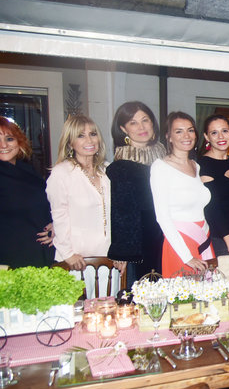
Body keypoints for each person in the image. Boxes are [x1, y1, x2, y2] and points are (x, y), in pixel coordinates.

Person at [46, 115, 117, 271]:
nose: (89, 140)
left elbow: (118, 214)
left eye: (93, 134)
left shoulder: (108, 169)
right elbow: (59, 216)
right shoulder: (61, 173)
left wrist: (120, 251)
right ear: (70, 142)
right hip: (78, 260)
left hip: (110, 257)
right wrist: (68, 254)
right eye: (80, 136)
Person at [107, 101, 166, 284]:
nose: (141, 127)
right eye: (133, 122)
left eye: (145, 120)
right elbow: (122, 213)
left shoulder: (165, 157)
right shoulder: (122, 165)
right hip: (141, 243)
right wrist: (123, 253)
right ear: (123, 129)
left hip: (167, 235)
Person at [150, 112, 213, 277]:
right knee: (185, 293)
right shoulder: (160, 167)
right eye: (179, 131)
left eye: (190, 130)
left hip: (204, 238)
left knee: (209, 290)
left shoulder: (196, 166)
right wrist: (187, 257)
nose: (186, 136)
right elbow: (162, 217)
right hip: (180, 244)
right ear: (168, 136)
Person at [0, 117, 54, 267]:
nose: (3, 145)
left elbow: (45, 204)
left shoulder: (27, 169)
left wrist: (54, 224)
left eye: (9, 139)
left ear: (19, 141)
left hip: (40, 252)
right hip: (9, 258)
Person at [198, 115, 229, 264]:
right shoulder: (204, 164)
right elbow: (212, 208)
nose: (220, 136)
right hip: (219, 237)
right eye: (214, 132)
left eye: (224, 131)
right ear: (207, 137)